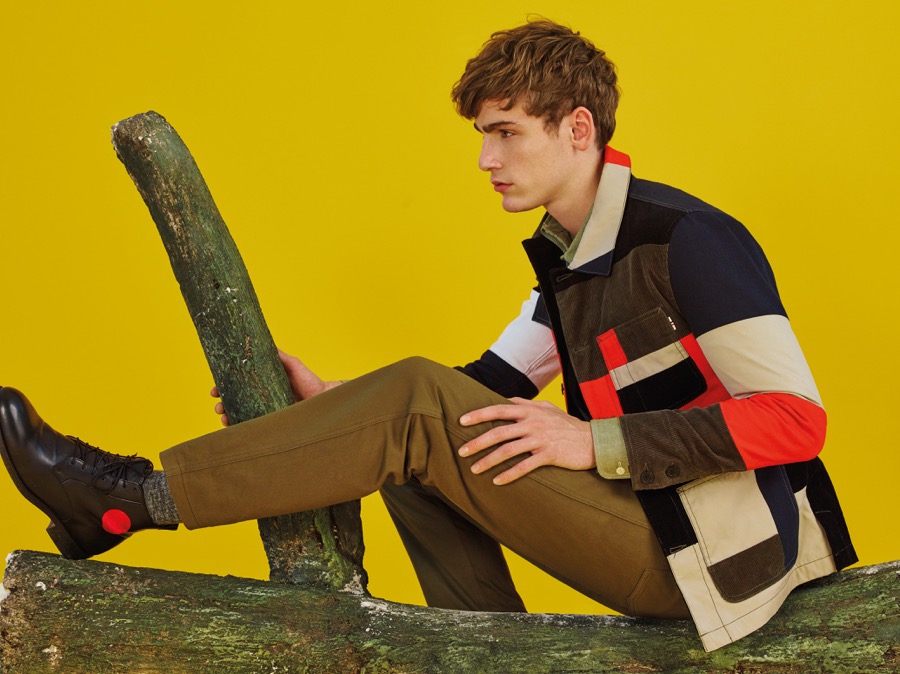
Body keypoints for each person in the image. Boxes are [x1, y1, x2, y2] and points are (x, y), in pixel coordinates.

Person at [0, 19, 855, 651]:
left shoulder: (690, 241)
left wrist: (589, 440)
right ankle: (485, 649)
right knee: (424, 441)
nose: (486, 160)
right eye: (483, 136)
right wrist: (333, 404)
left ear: (578, 129)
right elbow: (475, 394)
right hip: (652, 523)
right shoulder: (571, 262)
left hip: (713, 554)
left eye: (506, 134)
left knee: (419, 408)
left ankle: (131, 497)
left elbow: (796, 420)